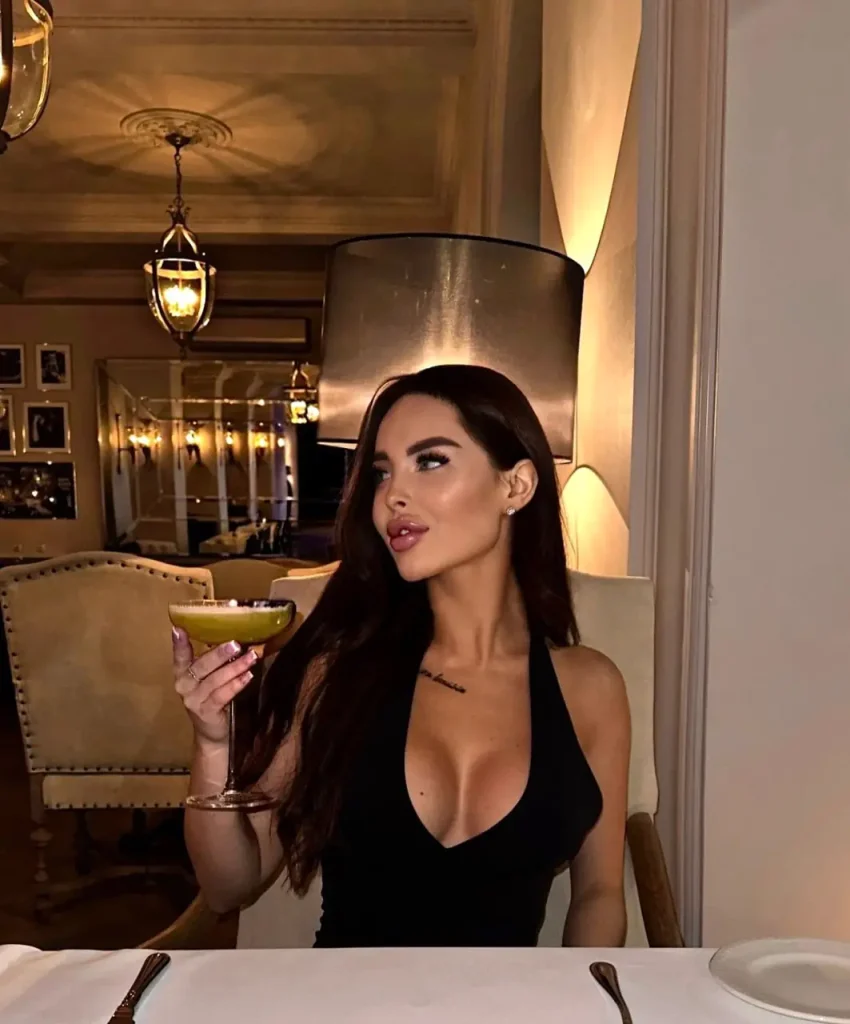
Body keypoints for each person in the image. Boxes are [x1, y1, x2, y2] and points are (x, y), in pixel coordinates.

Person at [172, 364, 630, 947]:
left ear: (515, 486)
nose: (392, 495)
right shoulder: (335, 671)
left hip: (509, 998)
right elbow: (227, 887)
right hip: (343, 995)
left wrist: (579, 993)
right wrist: (213, 746)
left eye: (430, 461)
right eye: (382, 472)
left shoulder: (590, 688)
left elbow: (599, 895)